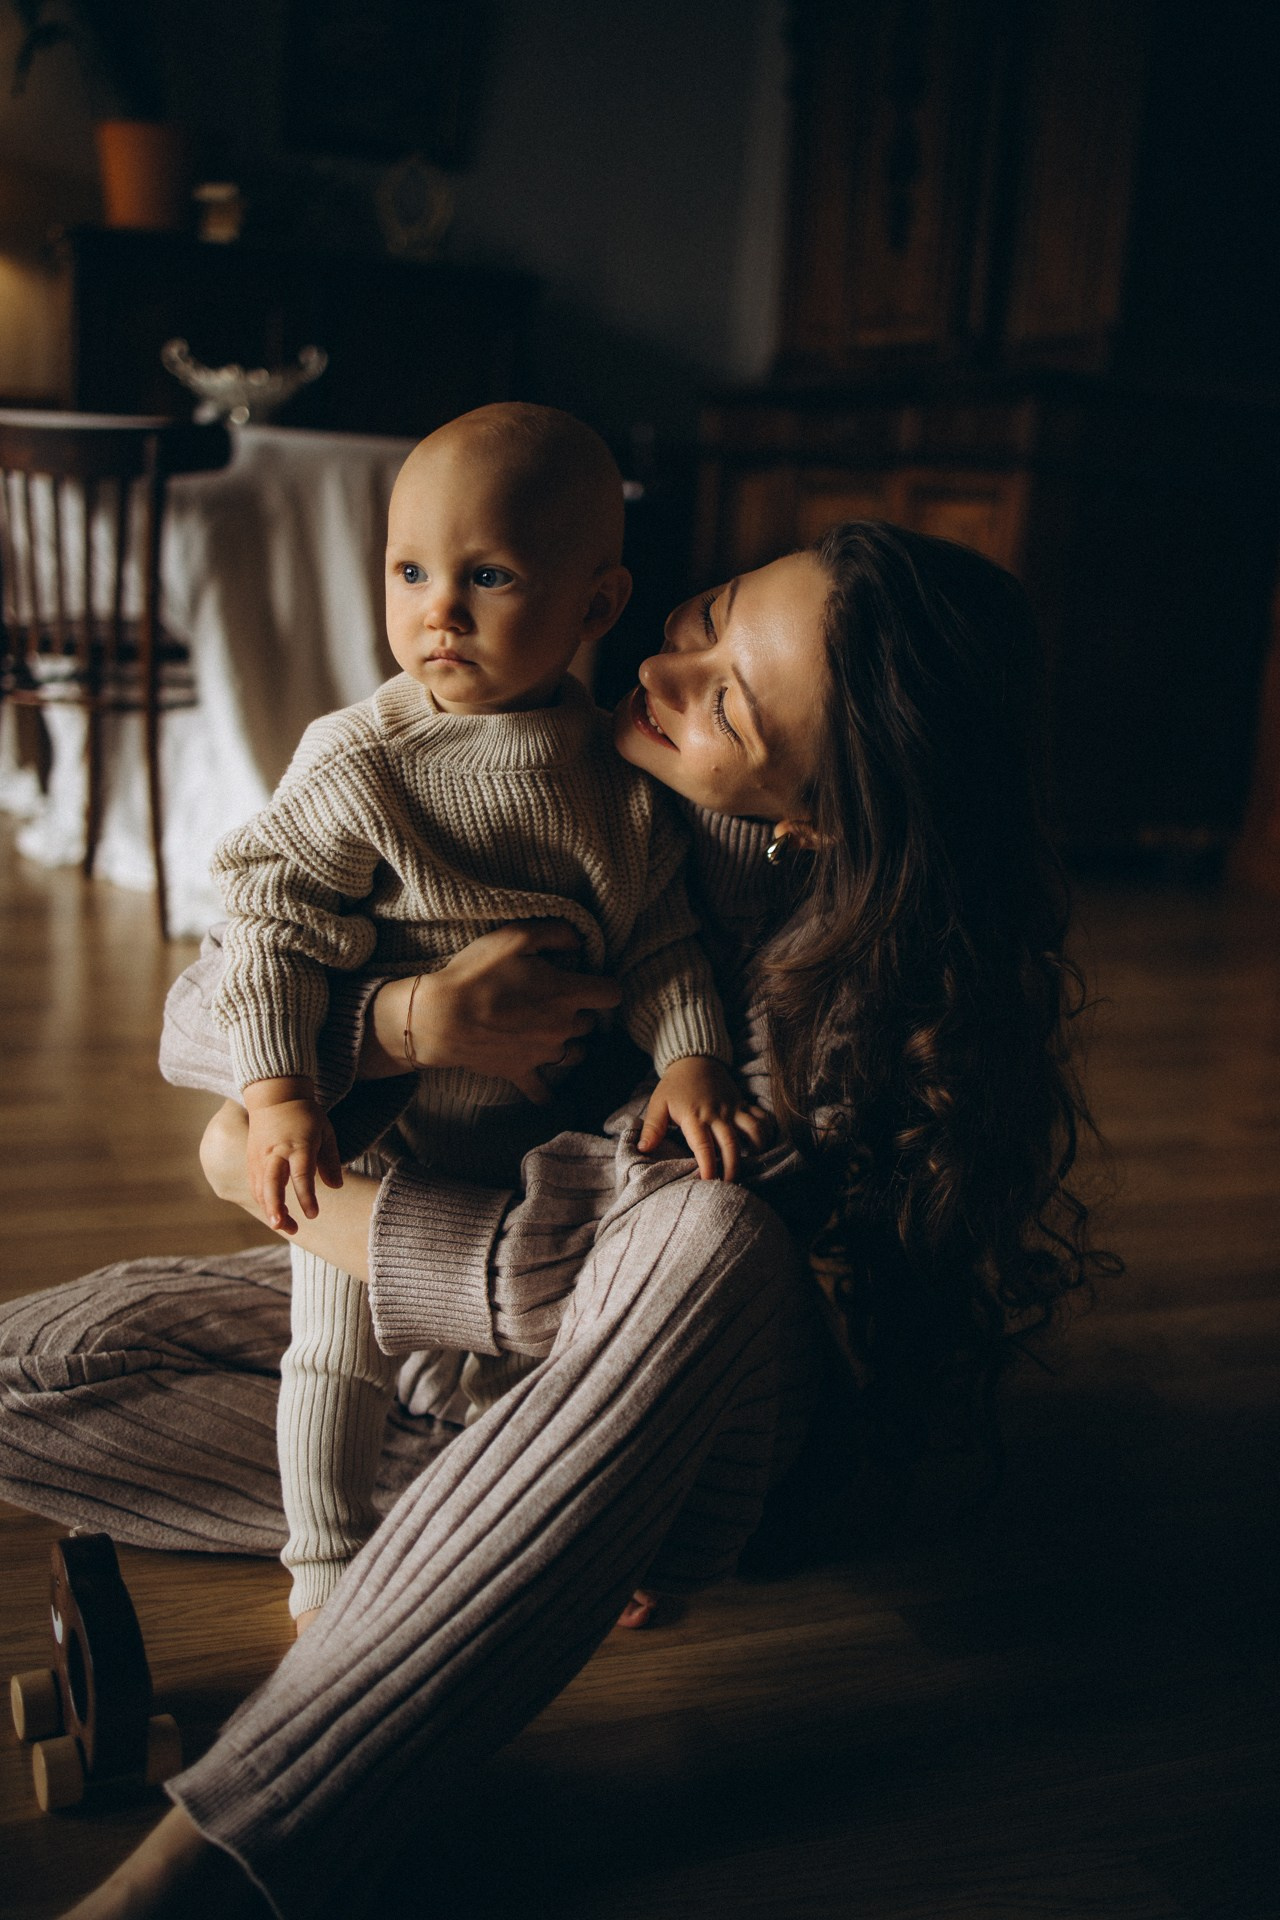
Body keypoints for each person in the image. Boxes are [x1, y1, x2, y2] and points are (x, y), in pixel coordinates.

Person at [0, 524, 1110, 1920]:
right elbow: (207, 1006)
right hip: (453, 1339)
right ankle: (540, 1526)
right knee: (25, 1369)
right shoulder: (499, 754)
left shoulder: (861, 981)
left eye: (724, 698)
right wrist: (404, 1021)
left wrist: (273, 1178)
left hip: (706, 1403)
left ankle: (215, 1866)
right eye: (703, 616)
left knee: (708, 1235)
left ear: (814, 817)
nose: (662, 664)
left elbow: (619, 1274)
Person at [208, 402, 761, 1625]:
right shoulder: (362, 760)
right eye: (410, 571)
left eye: (487, 576)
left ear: (595, 606)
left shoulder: (615, 780)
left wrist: (692, 1058)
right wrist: (281, 1096)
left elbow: (662, 936)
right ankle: (326, 1566)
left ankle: (549, 1521)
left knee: (556, 1367)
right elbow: (267, 924)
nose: (437, 611)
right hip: (376, 1136)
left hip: (549, 1151)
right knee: (332, 1353)